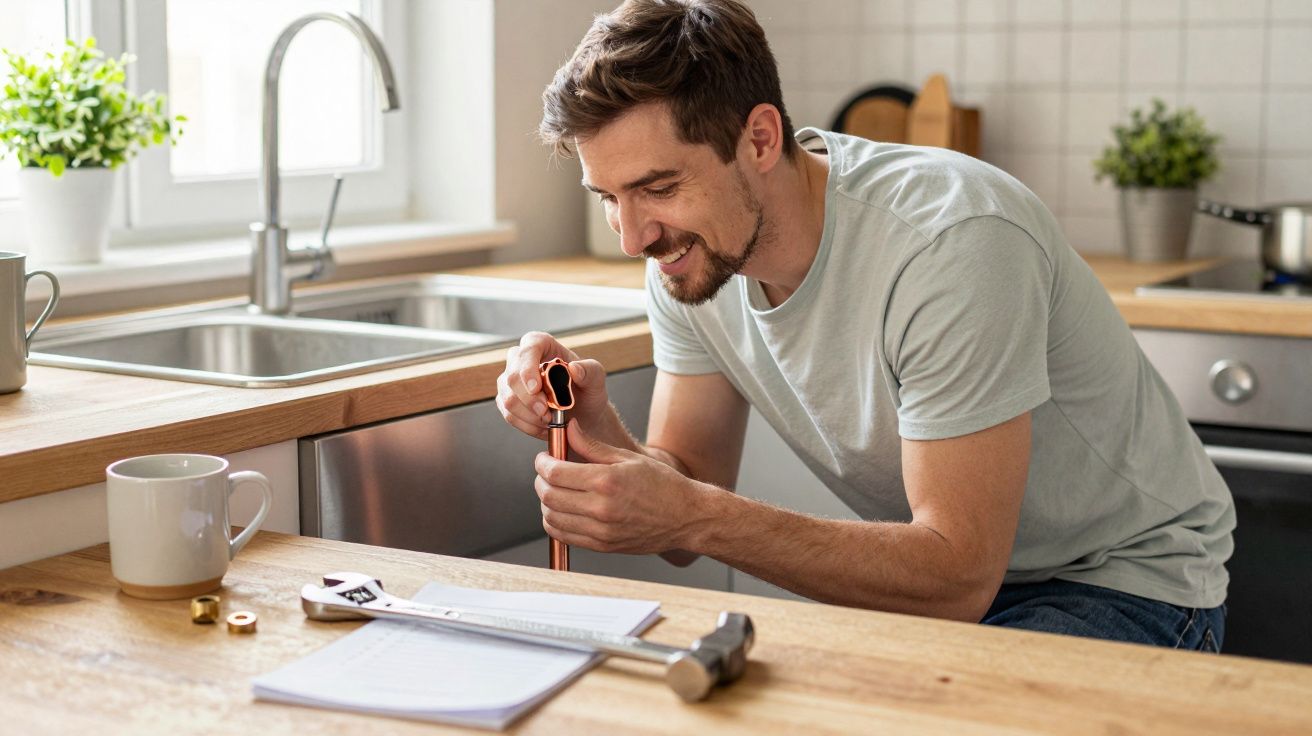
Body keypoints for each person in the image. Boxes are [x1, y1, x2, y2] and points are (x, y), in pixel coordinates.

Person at [495, 0, 1233, 651]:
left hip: (1120, 582)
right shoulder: (693, 257)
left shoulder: (950, 243)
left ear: (758, 139)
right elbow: (685, 493)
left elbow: (955, 577)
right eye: (607, 197)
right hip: (957, 593)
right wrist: (592, 431)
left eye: (658, 187)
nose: (631, 237)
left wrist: (694, 515)